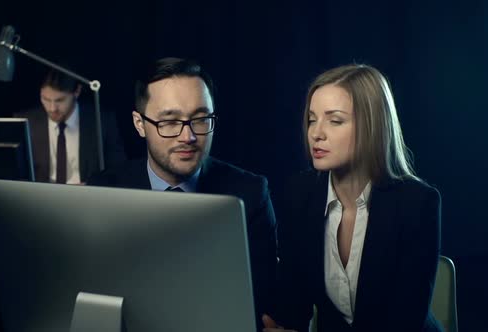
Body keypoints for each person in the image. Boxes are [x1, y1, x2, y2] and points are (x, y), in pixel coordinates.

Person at [88, 57, 277, 330]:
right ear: (140, 124)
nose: (187, 136)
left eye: (200, 119)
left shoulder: (250, 194)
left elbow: (261, 301)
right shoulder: (104, 191)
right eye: (169, 121)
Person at [264, 64, 442, 332]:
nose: (316, 133)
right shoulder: (300, 193)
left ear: (373, 126)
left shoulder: (417, 204)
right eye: (312, 119)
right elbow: (293, 299)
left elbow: (404, 322)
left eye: (334, 120)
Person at [14, 69, 126, 184]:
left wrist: (91, 185)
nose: (52, 108)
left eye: (60, 100)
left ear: (77, 91)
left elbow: (119, 170)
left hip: (85, 197)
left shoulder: (102, 121)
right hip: (39, 197)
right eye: (46, 99)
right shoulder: (25, 121)